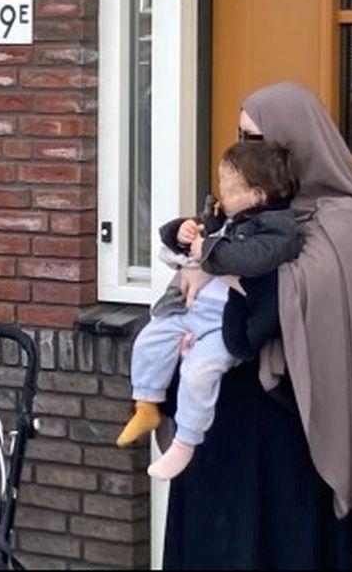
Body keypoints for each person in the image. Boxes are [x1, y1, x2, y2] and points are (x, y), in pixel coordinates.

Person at [163, 81, 352, 569]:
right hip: (222, 416)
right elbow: (192, 274)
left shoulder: (348, 220)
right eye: (241, 138)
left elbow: (305, 299)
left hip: (294, 424)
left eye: (258, 141)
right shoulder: (248, 210)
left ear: (294, 143)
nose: (248, 152)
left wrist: (218, 268)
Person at [117, 140, 302, 480]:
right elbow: (193, 240)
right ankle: (146, 404)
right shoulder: (226, 216)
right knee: (149, 339)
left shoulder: (278, 228)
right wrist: (182, 232)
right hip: (195, 310)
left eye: (230, 189)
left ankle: (185, 442)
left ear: (258, 195)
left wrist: (208, 250)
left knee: (199, 373)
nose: (221, 194)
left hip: (226, 323)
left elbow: (251, 259)